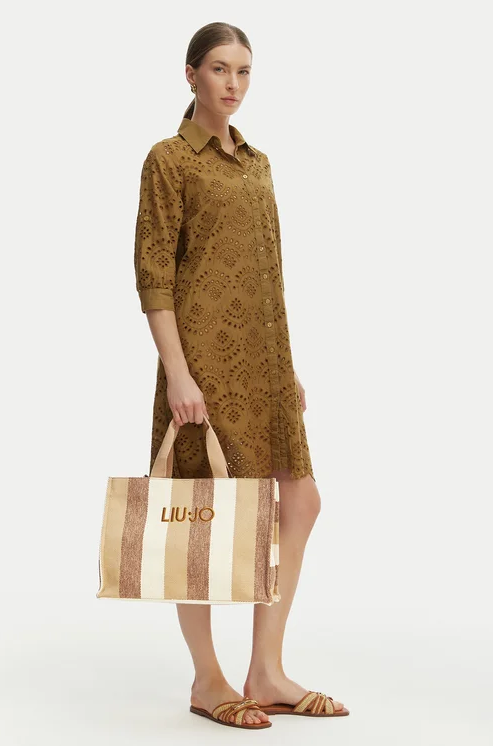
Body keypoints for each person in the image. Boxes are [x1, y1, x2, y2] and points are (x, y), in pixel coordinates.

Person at [133, 21, 349, 730]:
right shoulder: (169, 160)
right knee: (197, 519)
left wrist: (286, 368)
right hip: (199, 366)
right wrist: (177, 374)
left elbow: (269, 277)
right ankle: (207, 679)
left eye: (244, 71)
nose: (233, 83)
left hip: (263, 366)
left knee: (299, 500)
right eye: (220, 69)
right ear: (190, 75)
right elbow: (154, 274)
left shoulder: (258, 164)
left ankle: (267, 671)